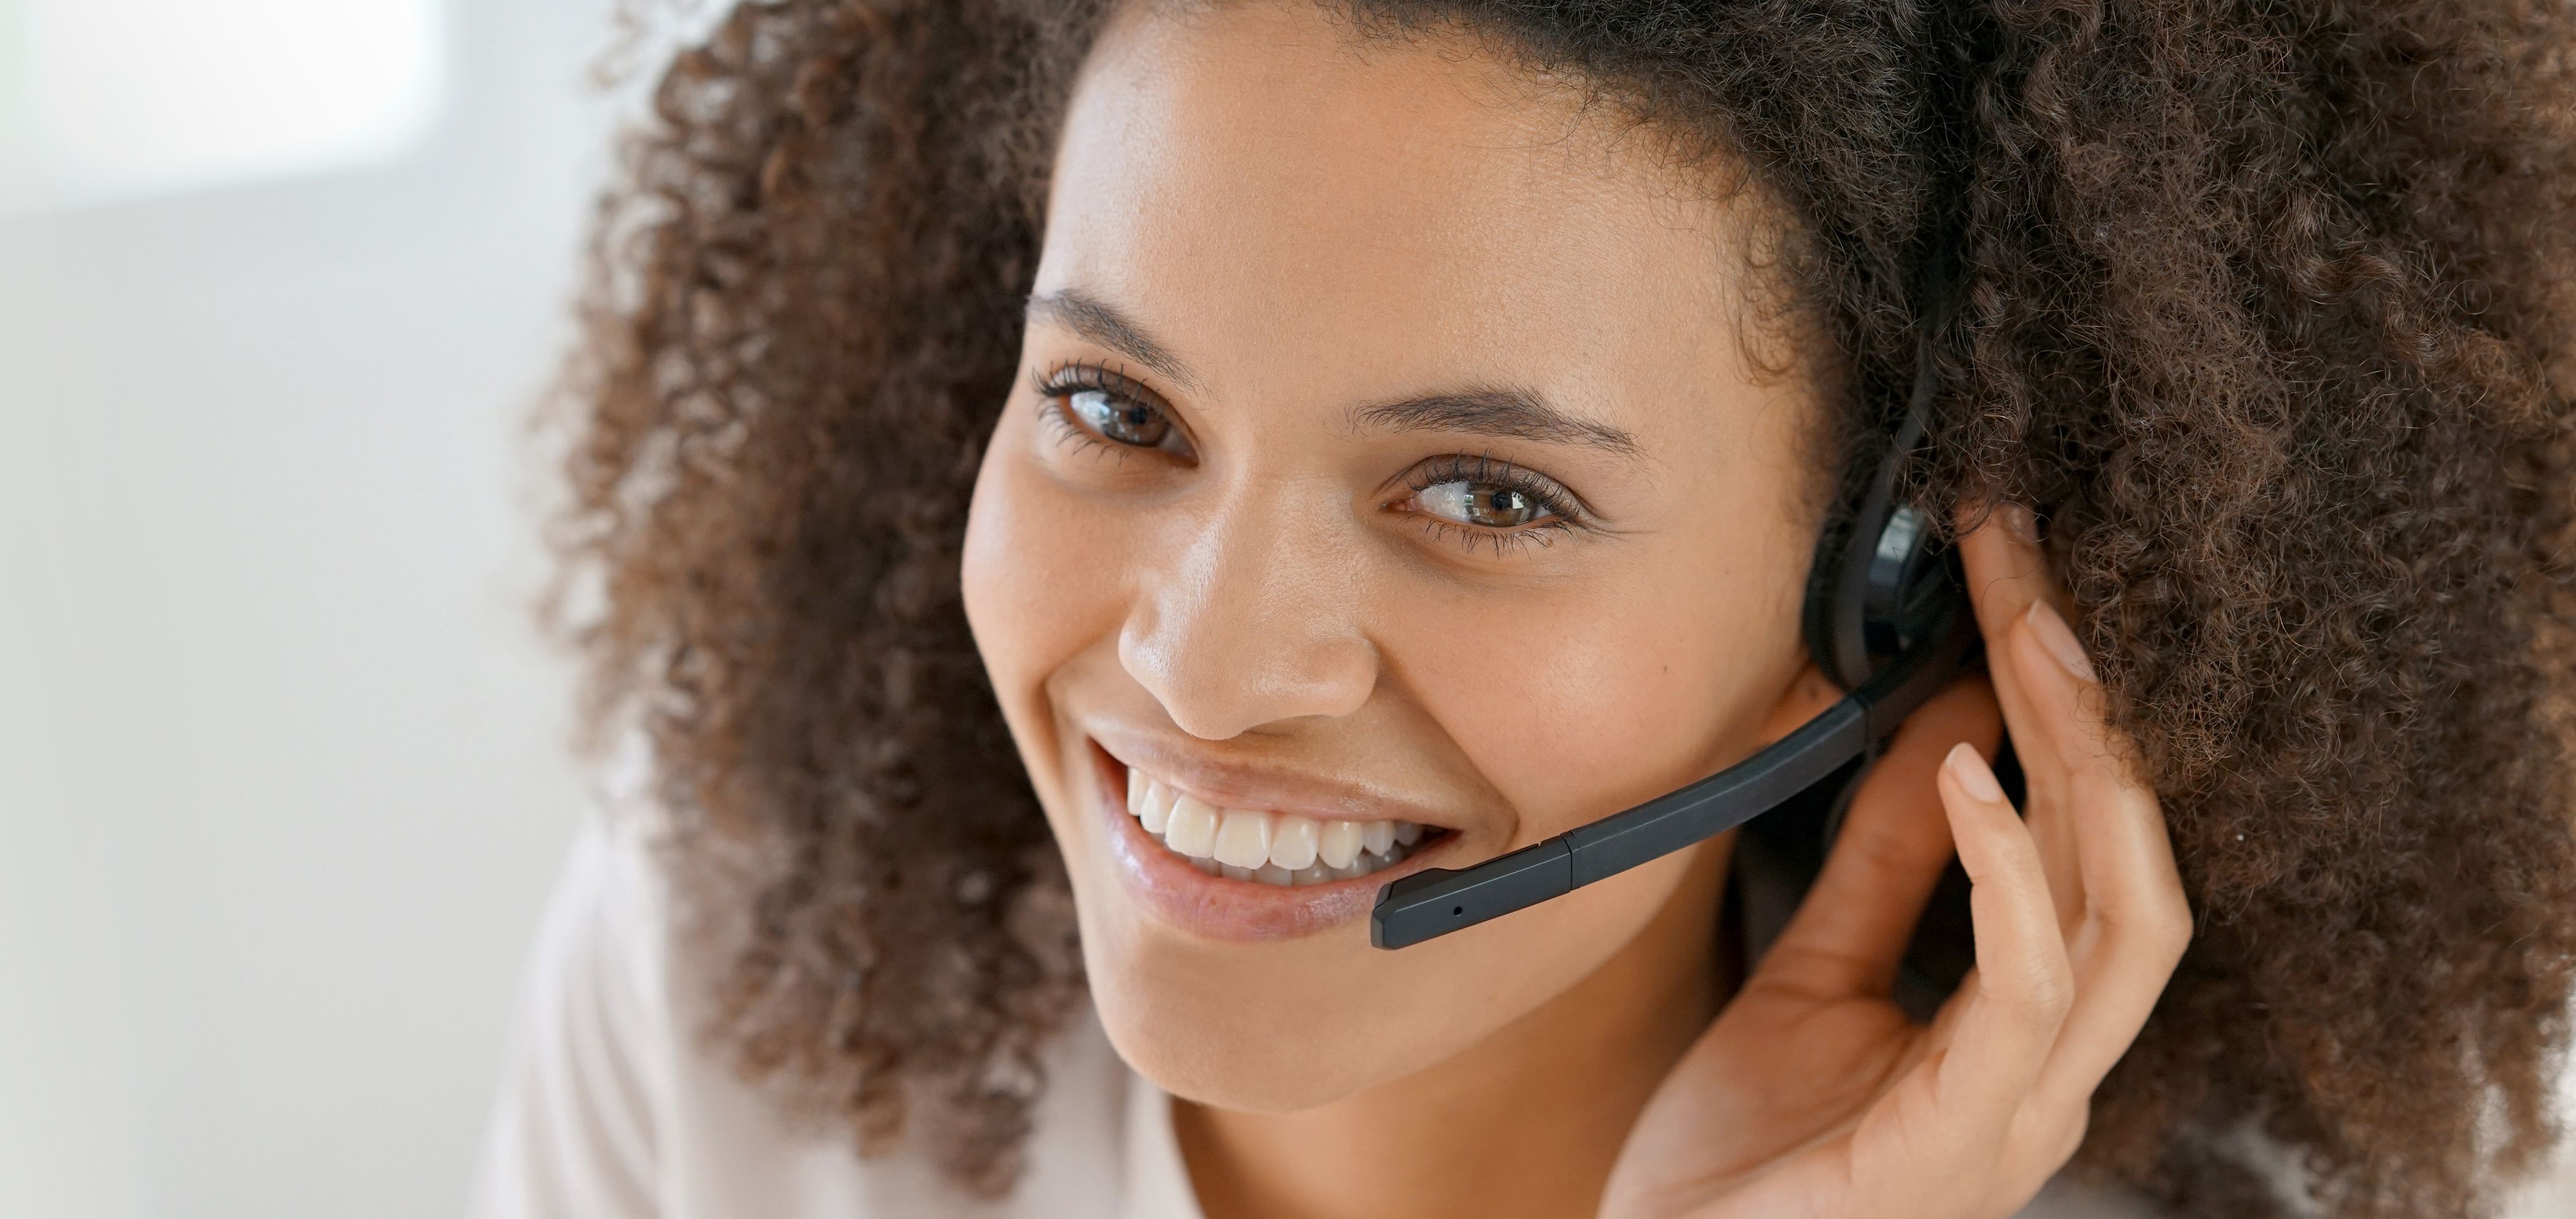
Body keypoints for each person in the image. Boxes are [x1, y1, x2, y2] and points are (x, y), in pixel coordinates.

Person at [476, 1, 2576, 1216]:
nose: (1204, 667)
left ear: (1886, 597)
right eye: (1113, 407)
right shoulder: (734, 954)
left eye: (1486, 495)